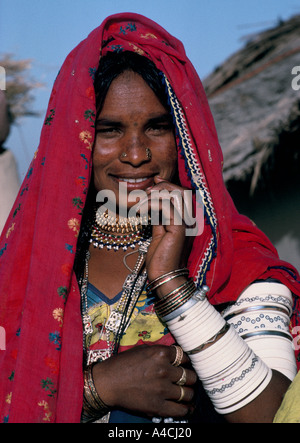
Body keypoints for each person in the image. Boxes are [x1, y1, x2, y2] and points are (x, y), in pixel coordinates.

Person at [0, 13, 299, 424]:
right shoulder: (26, 263)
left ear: (185, 135)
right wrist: (96, 388)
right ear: (77, 138)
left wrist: (174, 285)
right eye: (110, 131)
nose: (137, 154)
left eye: (158, 128)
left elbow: (273, 416)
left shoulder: (236, 257)